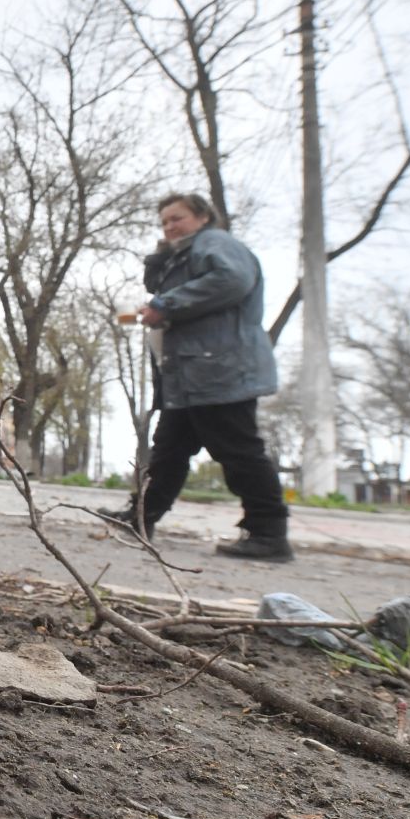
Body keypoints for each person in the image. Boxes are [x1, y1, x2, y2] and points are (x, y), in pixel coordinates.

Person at [98, 192, 293, 562]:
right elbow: (162, 286)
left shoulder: (215, 244)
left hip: (220, 370)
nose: (170, 226)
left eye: (177, 218)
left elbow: (232, 279)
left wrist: (164, 304)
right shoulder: (184, 254)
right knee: (168, 451)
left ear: (203, 217)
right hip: (191, 374)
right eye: (164, 222)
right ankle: (141, 518)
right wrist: (160, 261)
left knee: (238, 449)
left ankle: (269, 532)